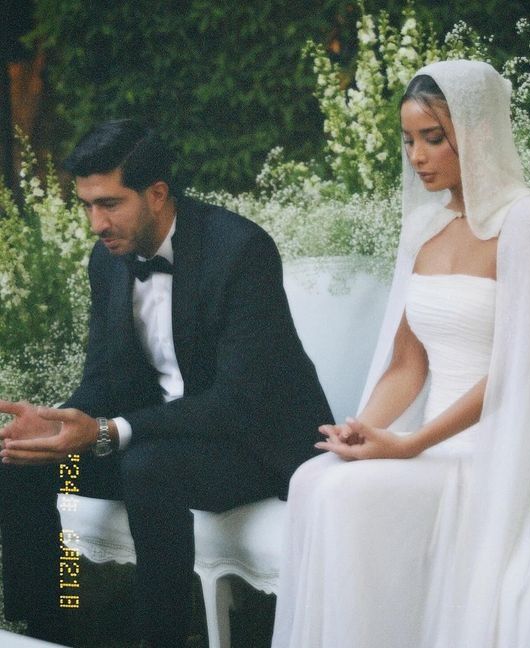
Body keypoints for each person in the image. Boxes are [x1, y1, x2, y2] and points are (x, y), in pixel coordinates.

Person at [271, 60, 530, 648]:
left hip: (493, 454)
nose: (417, 156)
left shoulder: (528, 221)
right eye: (408, 140)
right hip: (425, 446)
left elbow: (516, 370)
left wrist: (409, 445)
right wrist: (365, 432)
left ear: (477, 134)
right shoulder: (424, 229)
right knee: (313, 479)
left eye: (433, 138)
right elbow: (408, 364)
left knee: (343, 498)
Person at [0, 119, 333, 647]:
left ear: (157, 194)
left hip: (253, 443)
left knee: (150, 467)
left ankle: (165, 638)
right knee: (24, 462)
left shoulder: (239, 250)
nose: (95, 222)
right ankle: (48, 625)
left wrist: (109, 431)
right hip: (160, 437)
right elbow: (103, 378)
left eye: (109, 203)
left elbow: (235, 401)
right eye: (86, 205)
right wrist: (59, 419)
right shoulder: (106, 261)